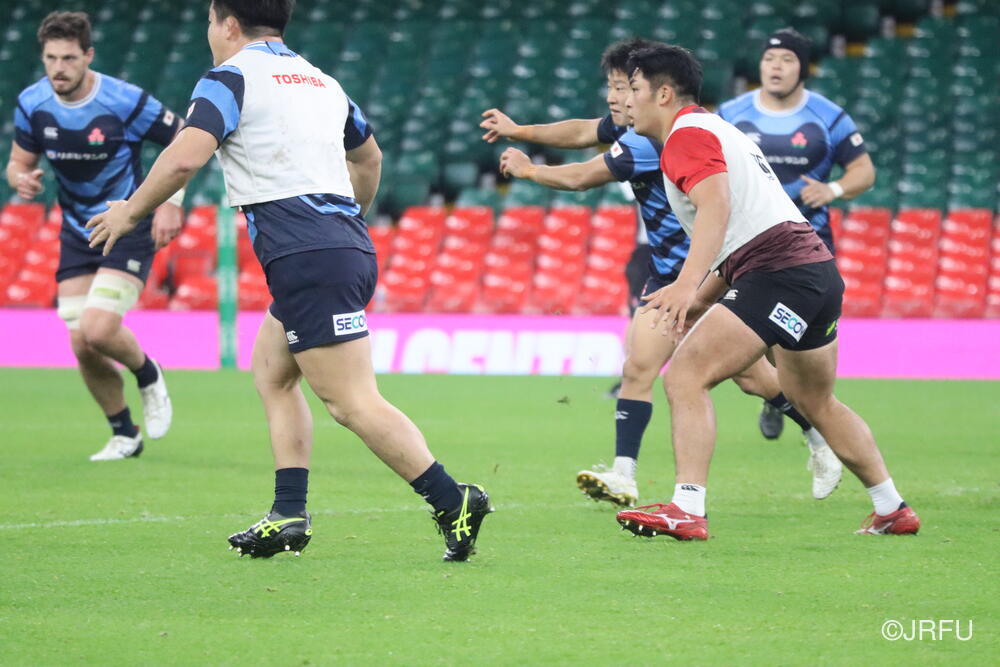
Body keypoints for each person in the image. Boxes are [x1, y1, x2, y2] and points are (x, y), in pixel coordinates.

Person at [86, 0, 491, 561]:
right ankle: (288, 513)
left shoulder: (229, 78)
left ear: (228, 23)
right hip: (339, 247)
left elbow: (183, 159)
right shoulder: (323, 82)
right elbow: (369, 158)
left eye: (210, 21)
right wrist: (346, 224)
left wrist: (130, 212)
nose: (209, 32)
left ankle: (453, 499)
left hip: (308, 256)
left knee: (350, 402)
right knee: (273, 375)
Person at [480, 39, 839, 505]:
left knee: (750, 379)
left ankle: (815, 433)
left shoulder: (656, 141)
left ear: (656, 93)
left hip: (708, 275)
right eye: (613, 87)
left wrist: (529, 171)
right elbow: (585, 129)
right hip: (667, 276)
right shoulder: (638, 126)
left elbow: (581, 176)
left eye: (624, 87)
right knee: (639, 367)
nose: (615, 98)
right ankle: (624, 475)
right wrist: (520, 130)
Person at [616, 44, 919, 539]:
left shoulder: (684, 138)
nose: (626, 100)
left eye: (633, 88)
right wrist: (698, 299)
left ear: (664, 93)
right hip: (814, 271)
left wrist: (686, 284)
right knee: (815, 400)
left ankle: (686, 508)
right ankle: (892, 508)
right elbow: (741, 237)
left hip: (778, 272)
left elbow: (717, 210)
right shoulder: (718, 130)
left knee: (686, 376)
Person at [6, 11, 177, 461]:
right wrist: (20, 179)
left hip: (127, 223)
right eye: (50, 58)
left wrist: (171, 203)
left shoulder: (125, 101)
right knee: (82, 342)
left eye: (68, 58)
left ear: (88, 56)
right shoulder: (32, 103)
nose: (58, 68)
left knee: (98, 328)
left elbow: (183, 140)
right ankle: (124, 434)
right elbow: (18, 162)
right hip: (77, 231)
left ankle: (148, 373)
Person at [718, 28, 876, 441]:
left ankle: (790, 398)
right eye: (770, 59)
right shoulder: (731, 114)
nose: (776, 67)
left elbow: (864, 171)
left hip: (808, 246)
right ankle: (780, 397)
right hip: (746, 246)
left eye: (787, 60)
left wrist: (833, 189)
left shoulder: (828, 116)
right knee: (762, 335)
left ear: (802, 69)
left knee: (796, 343)